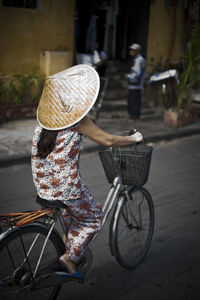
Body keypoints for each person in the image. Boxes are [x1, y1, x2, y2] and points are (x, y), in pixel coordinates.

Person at [31, 64, 143, 281]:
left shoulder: (44, 122)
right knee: (93, 218)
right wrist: (134, 138)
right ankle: (69, 258)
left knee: (72, 218)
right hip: (65, 189)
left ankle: (67, 248)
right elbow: (108, 140)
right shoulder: (78, 121)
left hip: (43, 186)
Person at [126, 43, 146, 122]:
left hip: (136, 85)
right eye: (131, 50)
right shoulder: (136, 59)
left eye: (133, 50)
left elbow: (137, 73)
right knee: (131, 100)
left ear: (137, 51)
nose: (131, 51)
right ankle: (132, 115)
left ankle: (135, 117)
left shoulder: (139, 60)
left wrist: (129, 76)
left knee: (135, 101)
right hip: (133, 85)